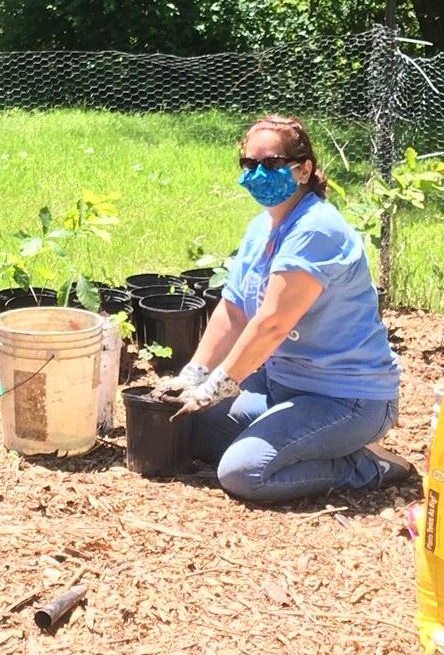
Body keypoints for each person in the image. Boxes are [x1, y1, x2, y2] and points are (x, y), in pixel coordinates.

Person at [157, 114, 413, 504]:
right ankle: (306, 442)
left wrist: (217, 387)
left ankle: (365, 465)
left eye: (272, 164)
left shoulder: (315, 229)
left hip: (346, 398)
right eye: (249, 164)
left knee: (244, 473)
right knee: (193, 431)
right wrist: (194, 373)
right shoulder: (261, 227)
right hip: (283, 387)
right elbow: (234, 310)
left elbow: (272, 325)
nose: (259, 174)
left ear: (304, 169)